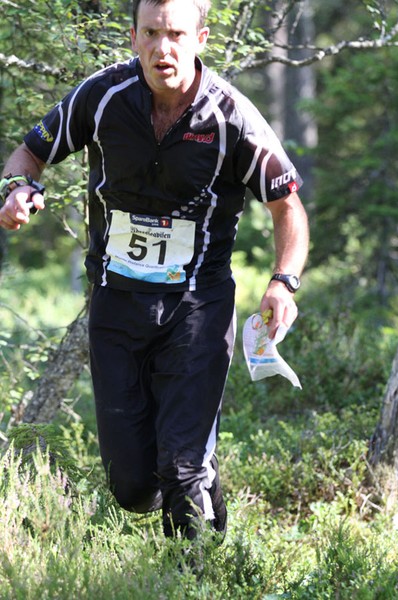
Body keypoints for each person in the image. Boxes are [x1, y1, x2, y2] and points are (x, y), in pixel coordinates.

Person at [0, 0, 309, 541]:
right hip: (116, 302)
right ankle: (198, 487)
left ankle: (194, 575)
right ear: (134, 36)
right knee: (134, 486)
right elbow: (29, 154)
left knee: (182, 468)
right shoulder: (101, 96)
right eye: (151, 33)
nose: (163, 48)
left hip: (198, 307)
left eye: (175, 34)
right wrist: (18, 188)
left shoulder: (231, 116)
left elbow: (289, 209)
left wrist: (283, 281)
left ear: (201, 38)